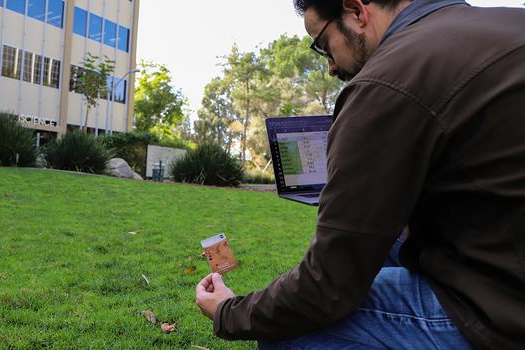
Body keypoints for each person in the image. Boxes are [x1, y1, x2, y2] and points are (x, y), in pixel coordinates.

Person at [195, 0, 525, 349]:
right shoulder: (509, 21)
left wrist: (228, 312)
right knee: (390, 240)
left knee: (290, 333)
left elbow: (326, 286)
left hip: (502, 309)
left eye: (324, 45)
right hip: (503, 249)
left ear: (355, 11)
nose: (331, 68)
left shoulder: (387, 79)